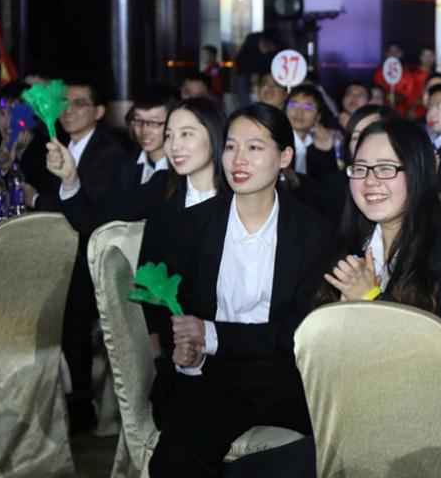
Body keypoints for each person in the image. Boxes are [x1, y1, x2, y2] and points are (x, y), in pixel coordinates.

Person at [148, 103, 333, 477]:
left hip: (290, 376)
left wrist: (211, 333)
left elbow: (299, 332)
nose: (238, 159)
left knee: (341, 451)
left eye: (254, 147)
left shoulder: (314, 233)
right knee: (174, 461)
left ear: (285, 157)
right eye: (231, 146)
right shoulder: (193, 224)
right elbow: (167, 308)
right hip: (213, 376)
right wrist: (184, 351)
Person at [317, 115, 441, 460]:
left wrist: (370, 299)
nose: (370, 181)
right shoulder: (346, 245)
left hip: (437, 428)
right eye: (361, 168)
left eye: (386, 168)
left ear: (418, 173)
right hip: (356, 418)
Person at [37, 76, 126, 433]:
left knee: (72, 320)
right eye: (64, 103)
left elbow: (89, 214)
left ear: (99, 111)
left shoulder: (109, 151)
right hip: (61, 250)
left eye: (79, 103)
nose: (68, 111)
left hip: (94, 257)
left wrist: (35, 198)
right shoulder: (57, 145)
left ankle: (81, 408)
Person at [138, 99, 228, 417]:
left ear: (215, 136)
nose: (174, 145)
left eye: (187, 134)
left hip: (232, 348)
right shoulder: (163, 198)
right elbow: (148, 281)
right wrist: (161, 354)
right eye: (170, 135)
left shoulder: (241, 202)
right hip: (176, 353)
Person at [46, 88, 177, 235]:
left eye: (154, 123)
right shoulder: (126, 163)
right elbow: (94, 218)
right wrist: (70, 179)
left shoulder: (179, 172)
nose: (144, 130)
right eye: (138, 121)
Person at [318, 104, 394, 226]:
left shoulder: (402, 177)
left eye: (369, 134)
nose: (361, 143)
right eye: (355, 136)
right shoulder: (332, 187)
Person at [284, 84, 338, 181]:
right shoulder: (278, 141)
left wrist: (325, 152)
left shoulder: (319, 143)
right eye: (293, 105)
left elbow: (329, 184)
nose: (299, 112)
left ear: (318, 116)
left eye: (308, 107)